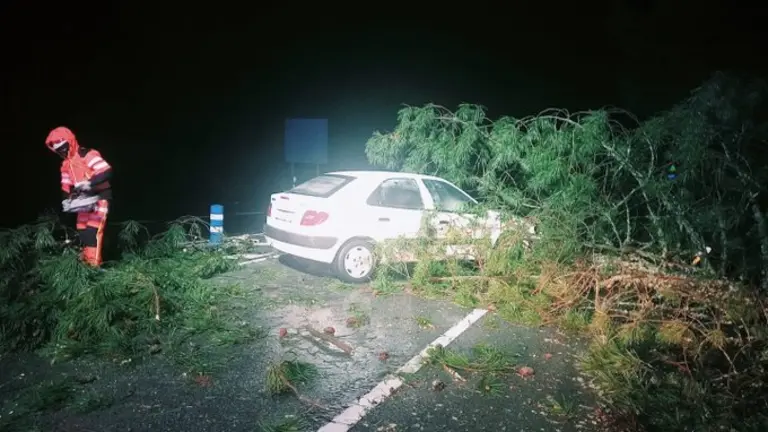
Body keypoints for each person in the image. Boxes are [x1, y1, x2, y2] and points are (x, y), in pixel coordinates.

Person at [45, 126, 113, 267]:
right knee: (82, 231)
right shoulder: (65, 165)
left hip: (99, 198)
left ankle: (95, 267)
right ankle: (86, 265)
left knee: (92, 231)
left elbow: (106, 170)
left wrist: (89, 183)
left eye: (64, 147)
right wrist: (66, 200)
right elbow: (66, 185)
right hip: (83, 202)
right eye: (58, 150)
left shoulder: (87, 154)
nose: (62, 151)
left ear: (70, 142)